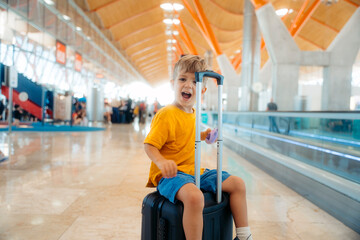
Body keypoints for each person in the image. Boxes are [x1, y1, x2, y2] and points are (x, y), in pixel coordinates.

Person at [144, 55, 252, 240]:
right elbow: (149, 145)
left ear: (202, 90)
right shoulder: (166, 114)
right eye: (183, 79)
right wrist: (161, 162)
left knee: (238, 185)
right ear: (173, 84)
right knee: (195, 198)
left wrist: (206, 135)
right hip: (171, 174)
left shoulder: (193, 113)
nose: (188, 85)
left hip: (194, 171)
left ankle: (244, 236)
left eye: (195, 81)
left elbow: (188, 134)